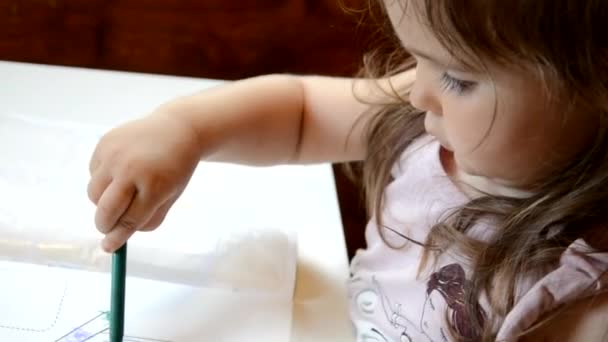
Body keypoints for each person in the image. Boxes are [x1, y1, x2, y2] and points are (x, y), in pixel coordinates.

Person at [86, 0, 608, 340]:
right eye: (416, 58)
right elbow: (302, 111)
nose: (417, 91)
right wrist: (184, 130)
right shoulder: (433, 110)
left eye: (456, 78)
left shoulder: (578, 301)